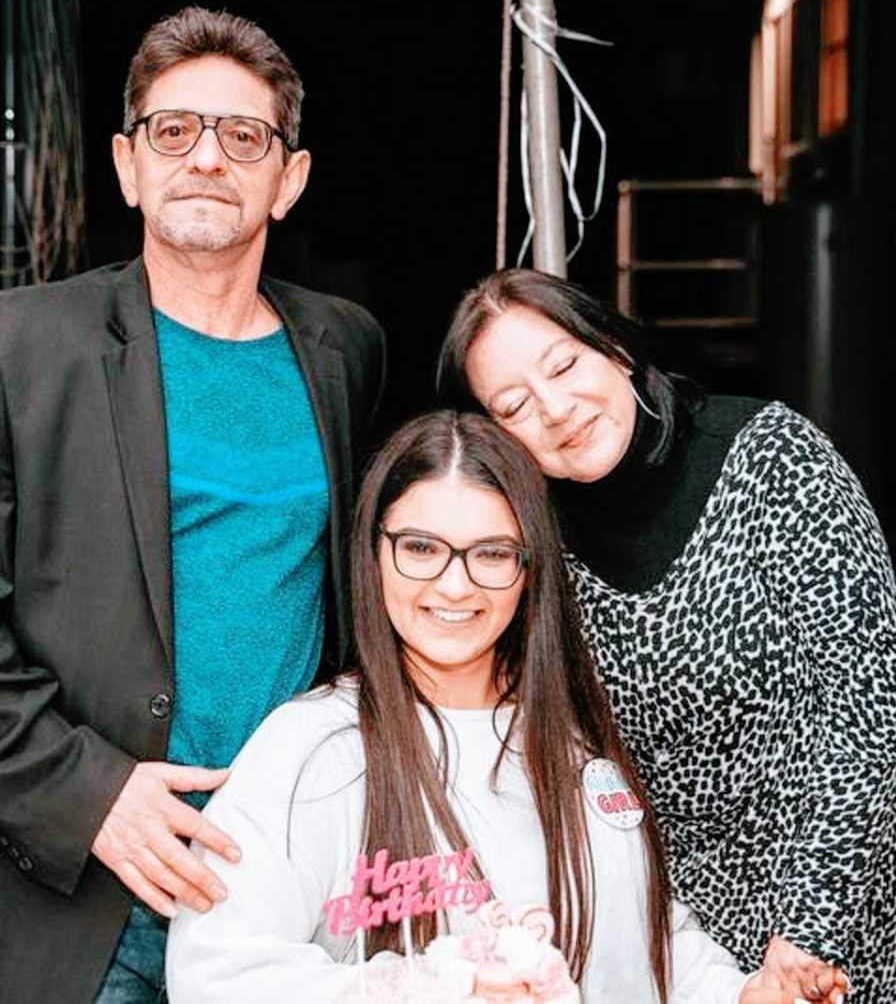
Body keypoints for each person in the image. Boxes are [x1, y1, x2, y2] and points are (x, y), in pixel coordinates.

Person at [166, 410, 846, 1004]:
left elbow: (646, 944)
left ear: (530, 569)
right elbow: (217, 972)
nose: (454, 584)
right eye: (422, 548)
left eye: (492, 552)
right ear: (374, 551)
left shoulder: (575, 742)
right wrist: (436, 988)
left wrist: (742, 994)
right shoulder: (311, 748)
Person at [0, 6, 385, 1004]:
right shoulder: (23, 346)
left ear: (286, 179)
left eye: (242, 135)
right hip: (87, 888)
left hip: (287, 890)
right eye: (174, 130)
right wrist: (87, 790)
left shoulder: (345, 349)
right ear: (129, 166)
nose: (205, 157)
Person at [436, 267, 896, 1004]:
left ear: (615, 349)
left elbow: (868, 716)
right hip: (672, 948)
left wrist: (805, 935)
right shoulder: (535, 544)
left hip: (837, 922)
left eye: (564, 365)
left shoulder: (773, 458)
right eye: (515, 405)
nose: (555, 409)